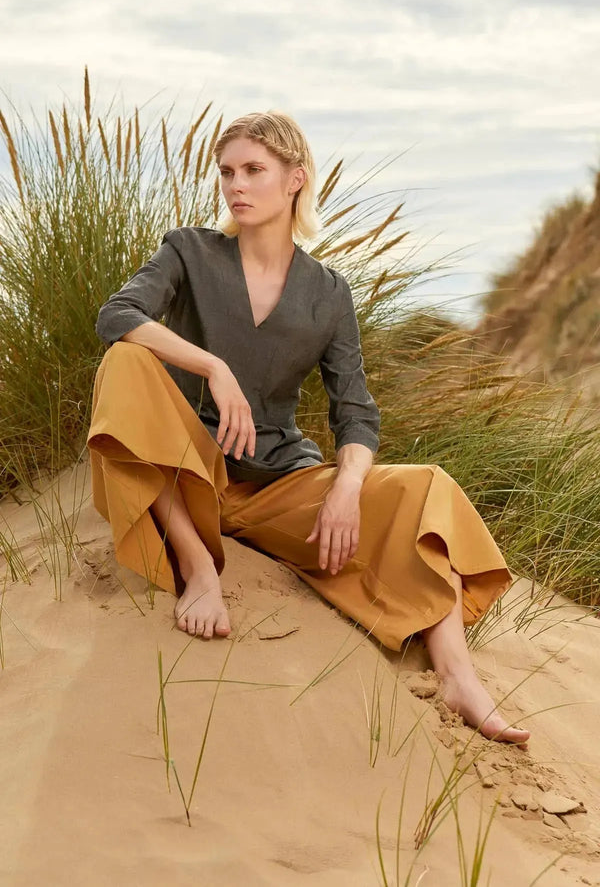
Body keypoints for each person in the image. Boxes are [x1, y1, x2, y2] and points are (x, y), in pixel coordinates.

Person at [87, 110, 530, 746]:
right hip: (185, 473)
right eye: (227, 172)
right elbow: (118, 314)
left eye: (253, 170)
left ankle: (457, 674)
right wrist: (213, 367)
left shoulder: (328, 292)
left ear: (295, 178)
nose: (236, 185)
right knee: (125, 361)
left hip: (278, 486)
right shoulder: (189, 251)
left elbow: (356, 411)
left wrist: (347, 488)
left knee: (426, 488)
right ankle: (199, 567)